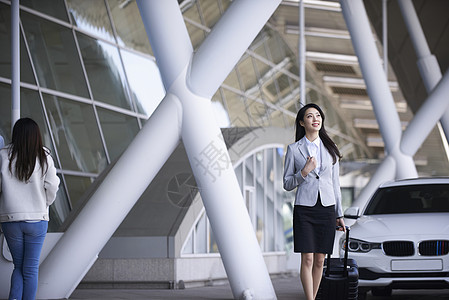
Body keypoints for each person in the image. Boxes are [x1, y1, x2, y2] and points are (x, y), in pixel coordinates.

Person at [283, 103, 345, 300]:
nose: (315, 119)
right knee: (307, 258)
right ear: (302, 122)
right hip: (305, 209)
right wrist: (304, 172)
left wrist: (339, 214)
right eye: (310, 116)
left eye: (318, 115)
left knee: (320, 260)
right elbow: (287, 183)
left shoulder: (331, 149)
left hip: (327, 209)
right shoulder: (294, 149)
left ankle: (313, 297)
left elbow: (336, 185)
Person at [0, 118, 60, 300]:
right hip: (37, 219)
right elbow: (53, 186)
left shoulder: (3, 155)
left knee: (18, 266)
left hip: (10, 219)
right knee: (31, 269)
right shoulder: (44, 157)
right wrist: (46, 203)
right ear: (36, 135)